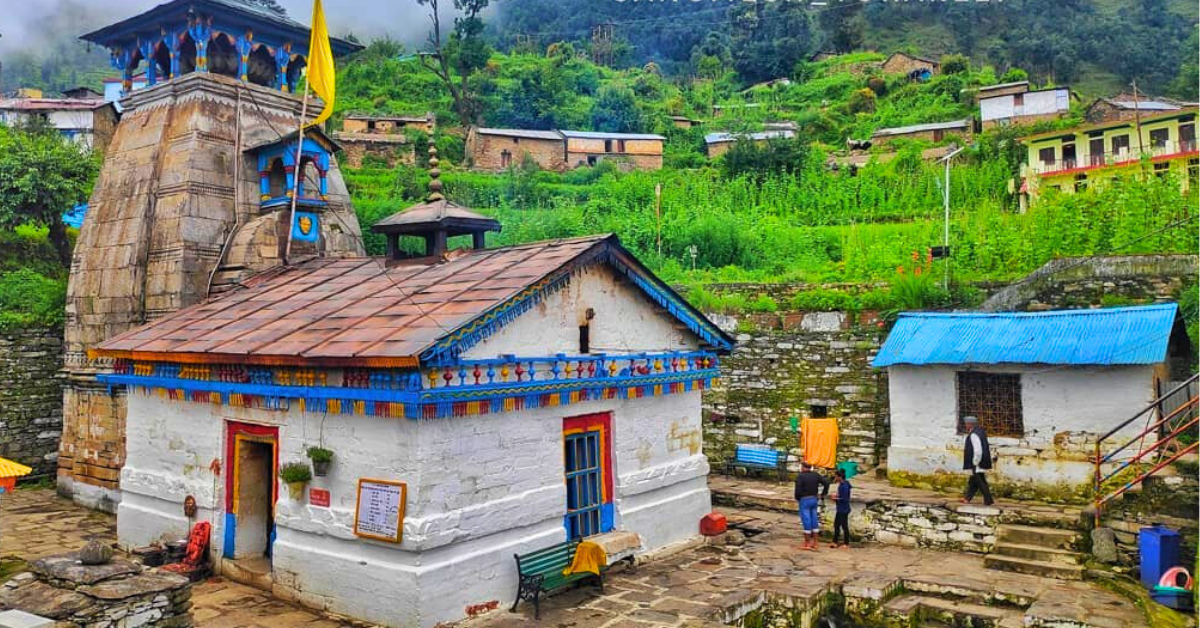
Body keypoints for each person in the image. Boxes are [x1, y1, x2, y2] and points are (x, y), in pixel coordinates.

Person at [794, 461, 830, 551]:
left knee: (806, 520)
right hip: (814, 499)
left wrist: (798, 498)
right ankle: (816, 542)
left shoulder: (800, 476)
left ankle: (807, 543)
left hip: (804, 499)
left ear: (802, 467)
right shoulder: (815, 475)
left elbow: (797, 490)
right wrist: (823, 494)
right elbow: (826, 483)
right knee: (814, 519)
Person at [961, 415, 994, 506]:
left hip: (977, 462)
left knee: (979, 481)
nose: (965, 426)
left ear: (970, 424)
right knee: (973, 481)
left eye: (966, 424)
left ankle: (988, 499)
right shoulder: (980, 431)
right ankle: (967, 498)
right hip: (979, 462)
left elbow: (978, 450)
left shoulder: (974, 434)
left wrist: (975, 462)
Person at [829, 468, 852, 548]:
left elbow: (845, 498)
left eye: (836, 476)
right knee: (836, 525)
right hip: (840, 508)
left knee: (844, 526)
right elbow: (841, 495)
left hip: (844, 508)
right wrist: (836, 496)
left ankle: (846, 543)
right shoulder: (842, 484)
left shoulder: (845, 486)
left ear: (839, 477)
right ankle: (835, 541)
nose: (835, 478)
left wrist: (835, 498)